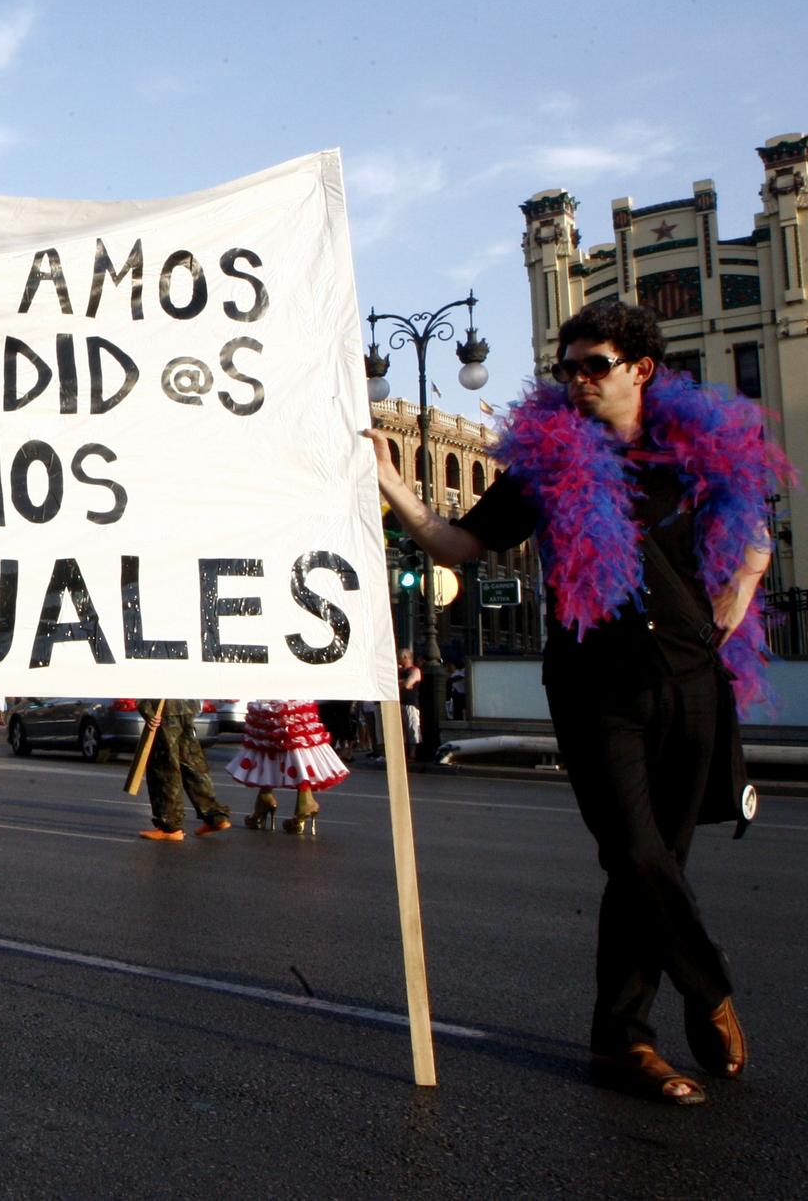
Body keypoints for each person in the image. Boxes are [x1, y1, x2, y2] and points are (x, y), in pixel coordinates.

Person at [370, 297, 783, 1107]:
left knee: (659, 860)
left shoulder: (694, 453)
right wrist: (393, 484)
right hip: (597, 682)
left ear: (641, 369)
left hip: (692, 681)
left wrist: (742, 582)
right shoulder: (550, 464)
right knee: (632, 850)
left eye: (594, 364)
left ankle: (624, 1037)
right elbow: (458, 544)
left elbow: (755, 532)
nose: (578, 379)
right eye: (568, 367)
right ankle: (709, 985)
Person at [226, 700, 348, 835]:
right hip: (295, 694)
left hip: (271, 697)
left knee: (269, 743)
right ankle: (304, 800)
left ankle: (266, 798)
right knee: (295, 740)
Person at [137, 698, 232, 841]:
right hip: (186, 707)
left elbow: (144, 682)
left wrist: (146, 710)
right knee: (191, 764)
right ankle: (215, 816)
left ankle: (169, 826)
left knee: (165, 768)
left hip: (164, 710)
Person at [395, 647, 422, 749]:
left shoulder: (414, 670)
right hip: (399, 703)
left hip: (410, 703)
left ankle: (413, 752)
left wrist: (400, 682)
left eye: (399, 658)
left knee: (412, 727)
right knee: (402, 730)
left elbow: (408, 684)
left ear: (405, 657)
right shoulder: (400, 672)